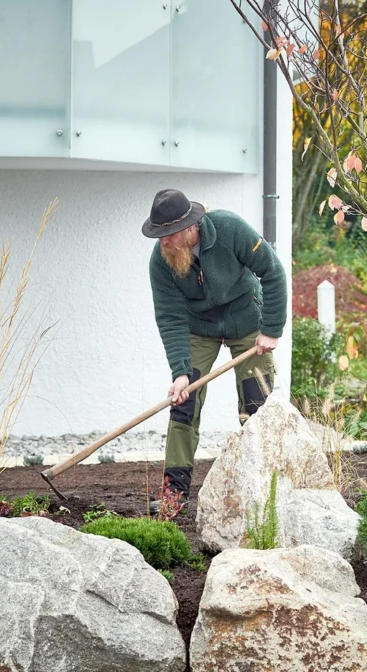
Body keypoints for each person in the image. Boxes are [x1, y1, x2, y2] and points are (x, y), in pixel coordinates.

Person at [143, 188, 287, 512]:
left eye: (169, 234)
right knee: (183, 403)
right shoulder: (161, 259)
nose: (163, 241)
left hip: (246, 320)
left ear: (190, 227)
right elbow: (170, 316)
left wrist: (271, 329)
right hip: (200, 327)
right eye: (159, 235)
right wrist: (180, 372)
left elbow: (273, 271)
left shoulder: (229, 229)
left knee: (257, 404)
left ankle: (264, 489)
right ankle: (174, 495)